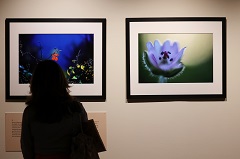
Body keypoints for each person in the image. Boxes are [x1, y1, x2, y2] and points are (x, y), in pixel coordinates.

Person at [21, 60, 88, 159]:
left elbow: (26, 148)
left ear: (36, 83)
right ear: (61, 80)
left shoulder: (30, 112)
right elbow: (87, 141)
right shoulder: (76, 108)